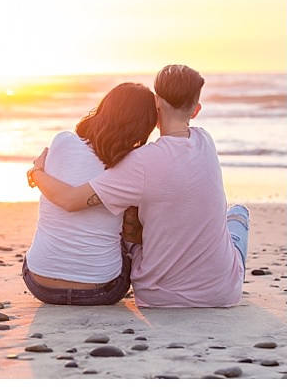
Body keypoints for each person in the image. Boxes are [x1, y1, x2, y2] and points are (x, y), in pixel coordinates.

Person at [29, 64, 249, 308]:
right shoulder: (205, 140)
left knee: (128, 213)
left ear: (157, 104)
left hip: (152, 295)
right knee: (238, 214)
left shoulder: (136, 162)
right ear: (195, 111)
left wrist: (36, 172)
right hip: (220, 293)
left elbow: (71, 200)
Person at [23, 82, 158, 305]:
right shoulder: (132, 164)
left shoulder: (62, 141)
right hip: (101, 290)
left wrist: (36, 171)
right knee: (129, 223)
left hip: (40, 283)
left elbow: (66, 198)